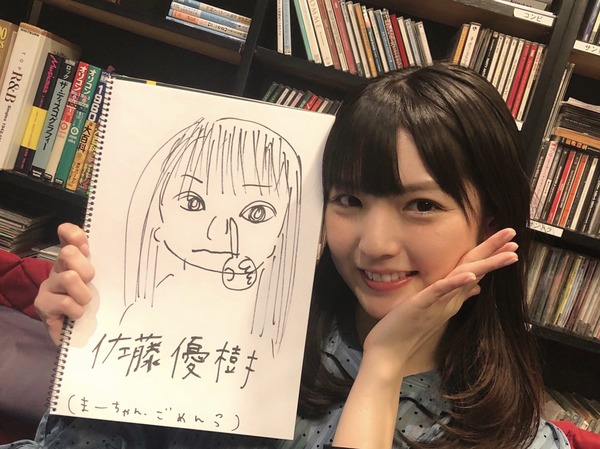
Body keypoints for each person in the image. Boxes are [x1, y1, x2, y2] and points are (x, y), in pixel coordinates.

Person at [6, 62, 569, 449]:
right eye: (348, 200)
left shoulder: (515, 437)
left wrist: (383, 367)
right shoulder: (244, 334)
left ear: (492, 223)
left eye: (421, 205)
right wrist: (94, 356)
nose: (374, 243)